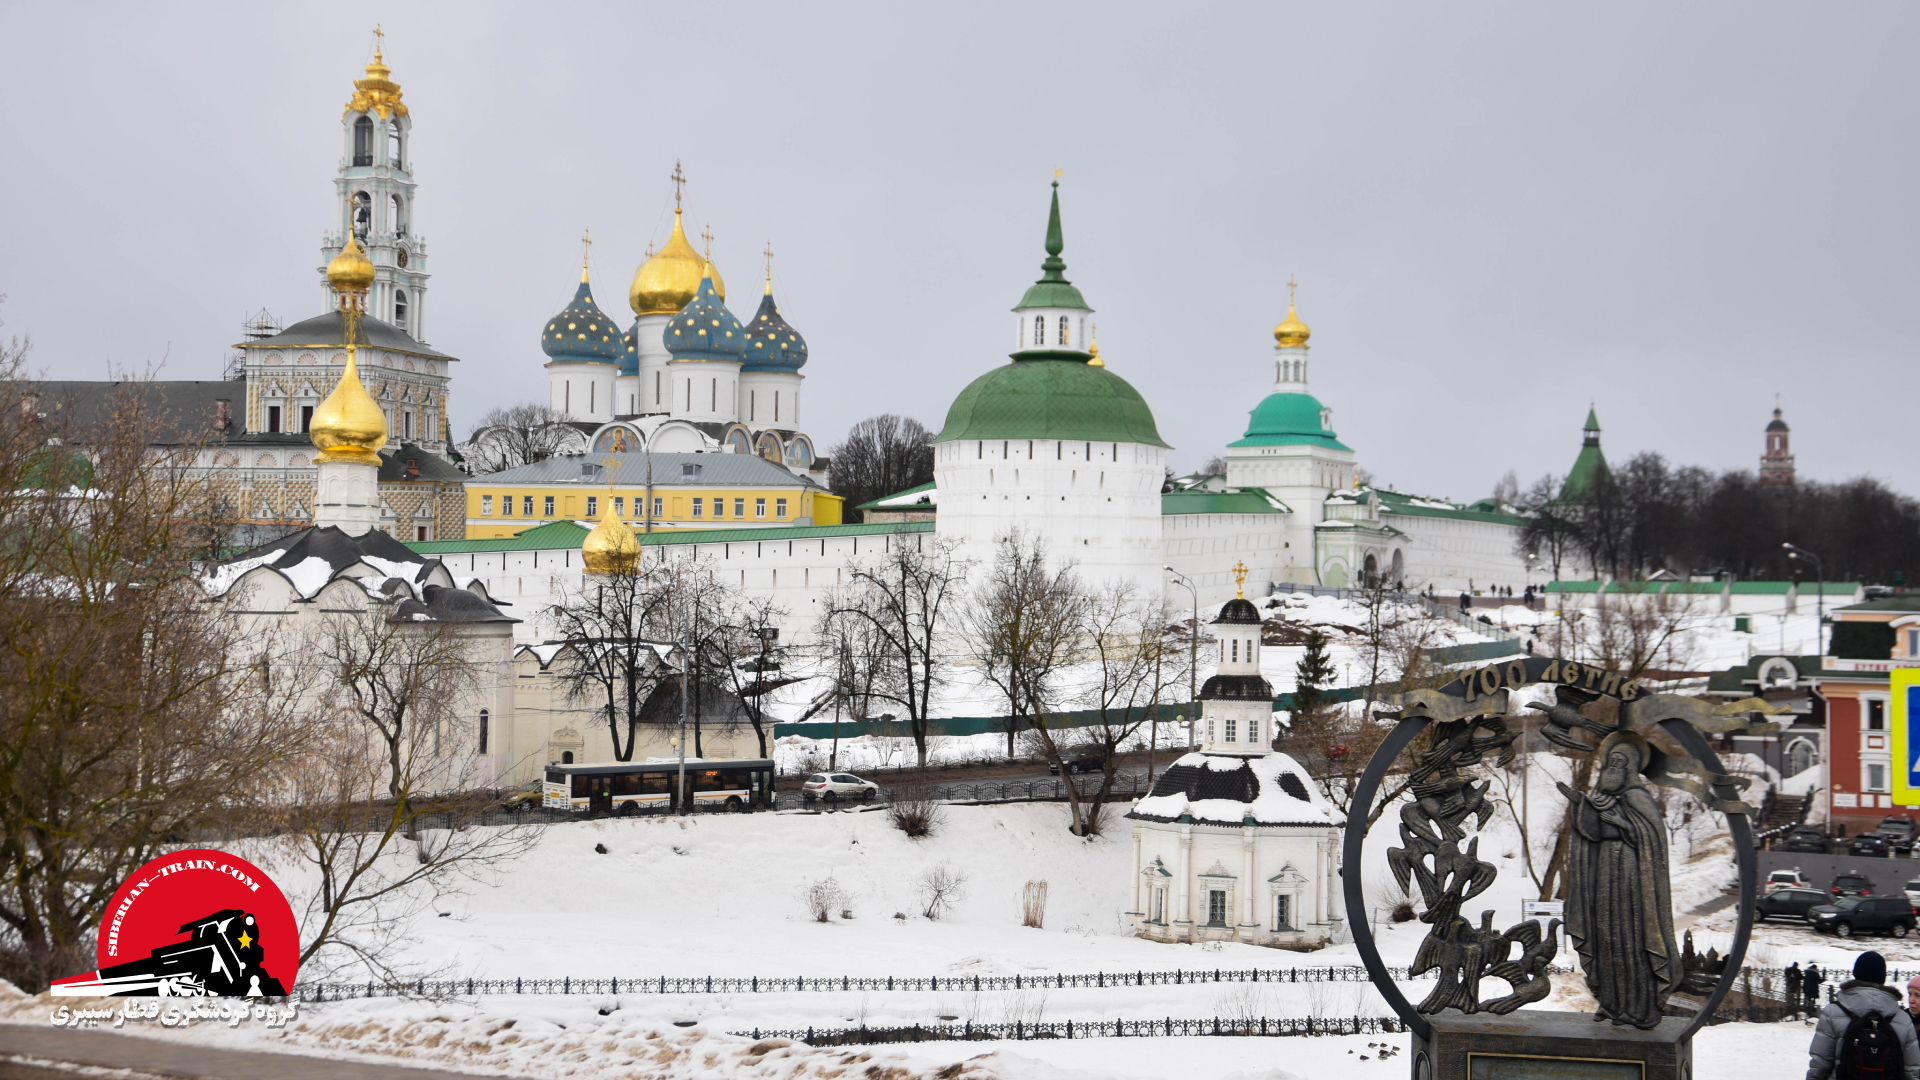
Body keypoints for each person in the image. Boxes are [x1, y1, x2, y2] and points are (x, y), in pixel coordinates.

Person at [1807, 952, 1919, 1080]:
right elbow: (1912, 1070)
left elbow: (1820, 1063)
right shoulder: (1902, 1018)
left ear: (1856, 975)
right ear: (1882, 978)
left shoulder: (1832, 1013)